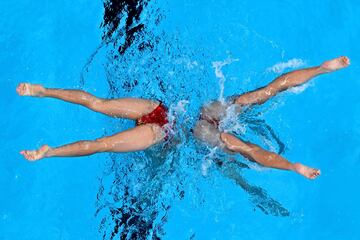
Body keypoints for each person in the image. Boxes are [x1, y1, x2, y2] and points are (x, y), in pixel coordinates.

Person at [194, 56, 350, 179]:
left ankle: (292, 166)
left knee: (245, 149)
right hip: (208, 111)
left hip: (200, 132)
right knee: (265, 92)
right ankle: (320, 69)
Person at [17, 83, 170, 161]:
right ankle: (50, 152)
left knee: (98, 103)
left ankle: (44, 91)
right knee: (102, 144)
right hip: (159, 134)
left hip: (159, 110)